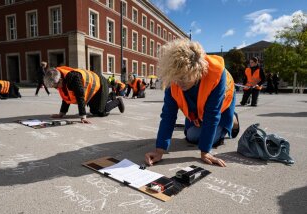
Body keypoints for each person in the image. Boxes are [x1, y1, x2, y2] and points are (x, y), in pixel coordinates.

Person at [145, 39, 239, 167]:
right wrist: (159, 150)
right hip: (198, 104)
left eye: (183, 77)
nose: (179, 83)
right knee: (192, 136)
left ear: (197, 70)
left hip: (222, 103)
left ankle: (232, 119)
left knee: (208, 137)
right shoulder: (175, 78)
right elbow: (168, 115)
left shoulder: (216, 75)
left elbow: (212, 115)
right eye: (176, 78)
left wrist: (205, 151)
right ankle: (203, 122)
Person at [44, 66, 125, 123]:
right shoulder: (61, 78)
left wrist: (83, 116)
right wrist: (61, 114)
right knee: (93, 111)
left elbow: (80, 96)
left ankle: (118, 101)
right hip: (92, 89)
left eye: (55, 86)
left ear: (60, 80)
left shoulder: (73, 78)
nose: (56, 88)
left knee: (101, 112)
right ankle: (111, 96)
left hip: (100, 85)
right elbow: (66, 97)